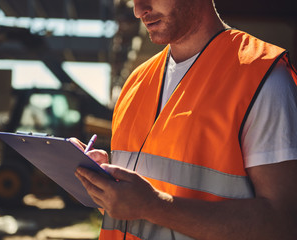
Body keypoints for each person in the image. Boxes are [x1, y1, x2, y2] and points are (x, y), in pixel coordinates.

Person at [72, 0, 297, 239]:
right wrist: (106, 188)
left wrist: (154, 206)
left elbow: (284, 221)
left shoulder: (263, 79)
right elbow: (134, 213)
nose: (139, 10)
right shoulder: (136, 83)